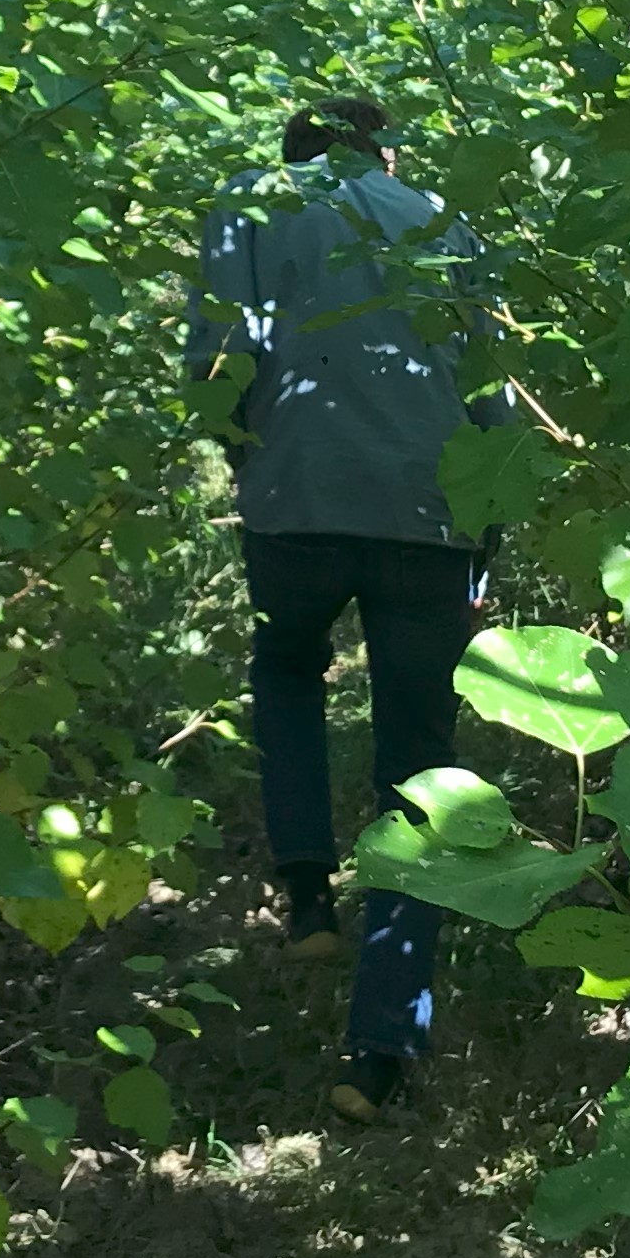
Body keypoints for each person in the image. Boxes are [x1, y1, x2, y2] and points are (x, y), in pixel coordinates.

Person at [185, 93, 495, 1121]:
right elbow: (488, 385)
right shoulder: (444, 220)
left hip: (297, 502)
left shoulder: (249, 206)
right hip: (430, 514)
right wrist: (486, 539)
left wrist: (247, 460)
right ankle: (379, 1049)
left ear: (296, 152)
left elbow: (218, 357)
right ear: (383, 153)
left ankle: (310, 893)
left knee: (285, 669)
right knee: (420, 769)